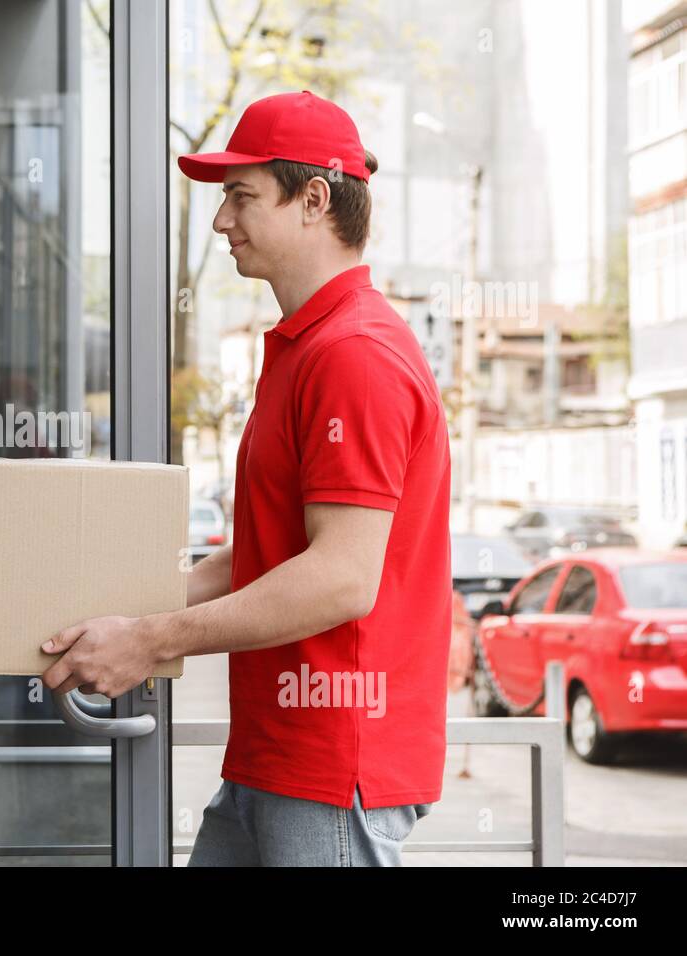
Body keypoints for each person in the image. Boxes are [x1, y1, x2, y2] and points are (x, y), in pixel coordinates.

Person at [40, 91, 451, 866]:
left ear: (315, 201)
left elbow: (339, 580)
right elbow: (267, 553)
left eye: (240, 196)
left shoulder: (353, 355)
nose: (222, 221)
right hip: (277, 751)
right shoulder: (307, 347)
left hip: (332, 761)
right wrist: (120, 607)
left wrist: (151, 640)